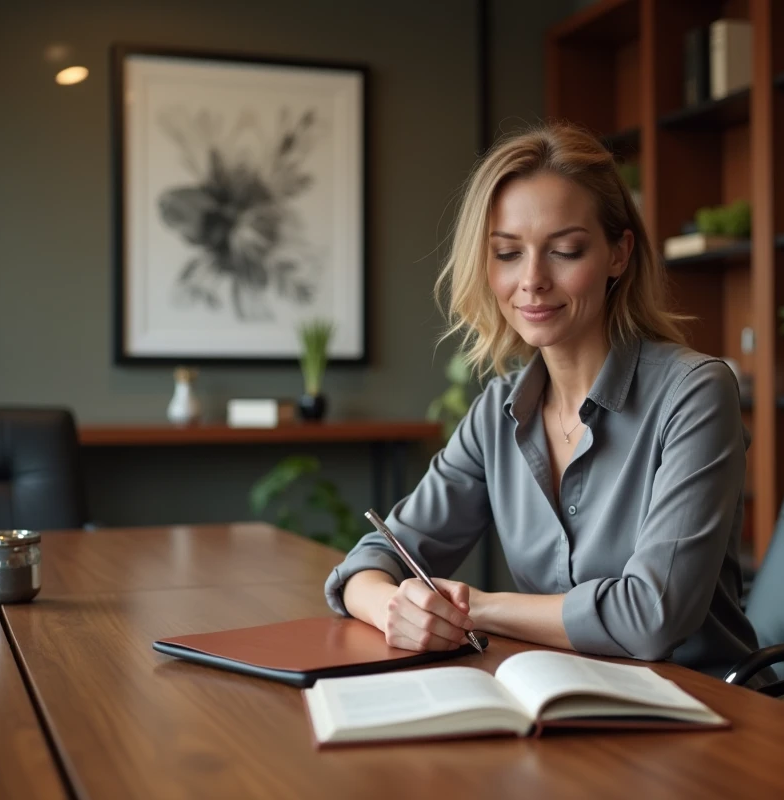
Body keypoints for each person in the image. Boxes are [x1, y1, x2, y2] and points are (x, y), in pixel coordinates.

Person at [324, 122, 760, 679]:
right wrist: (397, 607)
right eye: (507, 253)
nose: (531, 280)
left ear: (619, 254)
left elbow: (652, 616)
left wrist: (473, 609)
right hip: (564, 695)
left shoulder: (695, 394)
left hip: (703, 704)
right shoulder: (496, 413)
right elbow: (371, 559)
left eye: (564, 251)